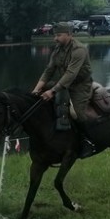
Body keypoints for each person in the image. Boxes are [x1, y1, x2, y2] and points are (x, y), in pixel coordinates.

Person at [32, 21, 97, 157]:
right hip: (63, 82)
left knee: (77, 113)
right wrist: (36, 89)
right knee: (38, 100)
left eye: (59, 35)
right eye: (55, 35)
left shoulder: (79, 50)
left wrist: (52, 91)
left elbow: (71, 74)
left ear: (69, 34)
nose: (55, 38)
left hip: (80, 85)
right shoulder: (58, 49)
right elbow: (49, 70)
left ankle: (87, 141)